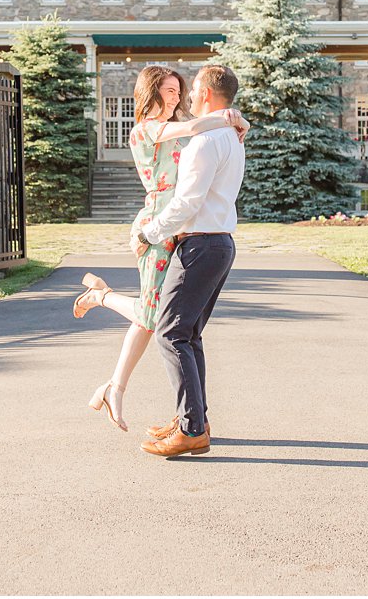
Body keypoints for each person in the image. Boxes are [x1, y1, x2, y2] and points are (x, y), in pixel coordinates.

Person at [72, 64, 248, 432]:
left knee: (161, 320)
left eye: (179, 90)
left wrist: (233, 119)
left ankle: (117, 387)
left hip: (180, 223)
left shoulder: (185, 122)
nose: (176, 96)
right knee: (156, 318)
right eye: (168, 90)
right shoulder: (147, 130)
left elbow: (204, 123)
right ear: (150, 93)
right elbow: (200, 125)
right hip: (158, 223)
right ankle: (102, 299)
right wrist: (233, 118)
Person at [134, 63, 245, 459]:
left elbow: (186, 202)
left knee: (171, 334)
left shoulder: (204, 140)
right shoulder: (230, 135)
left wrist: (149, 234)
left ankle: (192, 429)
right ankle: (192, 418)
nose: (189, 95)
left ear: (208, 96)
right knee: (189, 335)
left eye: (194, 89)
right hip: (218, 244)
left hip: (200, 246)